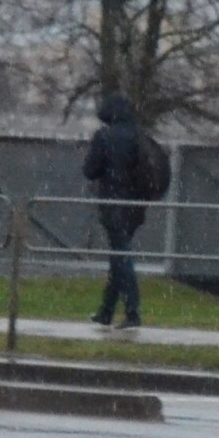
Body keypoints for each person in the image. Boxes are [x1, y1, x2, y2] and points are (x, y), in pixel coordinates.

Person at [81, 92, 147, 328]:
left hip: (112, 202)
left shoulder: (105, 136)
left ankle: (132, 311)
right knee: (119, 255)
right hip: (135, 204)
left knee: (121, 256)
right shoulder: (139, 136)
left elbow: (90, 170)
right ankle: (106, 310)